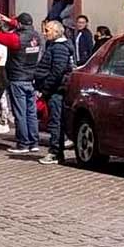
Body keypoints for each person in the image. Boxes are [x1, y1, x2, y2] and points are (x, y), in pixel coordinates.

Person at [0, 10, 42, 156]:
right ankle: (34, 142)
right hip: (31, 78)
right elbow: (20, 25)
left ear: (19, 24)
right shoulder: (36, 36)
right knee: (31, 113)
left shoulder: (16, 38)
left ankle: (23, 143)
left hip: (18, 78)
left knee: (20, 113)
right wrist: (8, 20)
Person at [34, 18, 73, 166]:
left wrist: (45, 89)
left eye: (48, 30)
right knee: (55, 121)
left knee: (56, 122)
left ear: (57, 31)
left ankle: (55, 152)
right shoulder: (54, 46)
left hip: (55, 91)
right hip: (52, 89)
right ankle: (57, 151)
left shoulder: (60, 48)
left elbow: (57, 71)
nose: (45, 33)